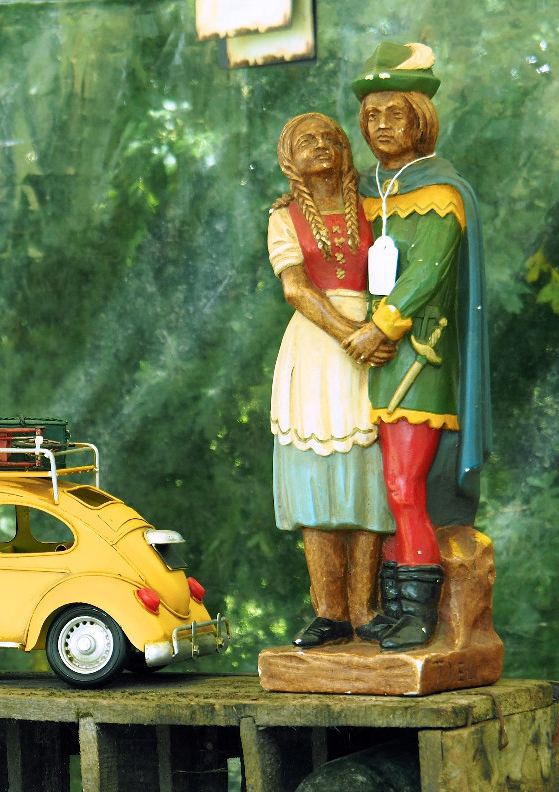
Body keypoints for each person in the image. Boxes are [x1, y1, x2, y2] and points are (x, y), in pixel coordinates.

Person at [342, 43, 492, 652]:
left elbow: (426, 272)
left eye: (395, 114)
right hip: (364, 360)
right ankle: (393, 606)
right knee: (385, 493)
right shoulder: (365, 189)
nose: (382, 125)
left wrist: (381, 327)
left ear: (421, 120)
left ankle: (419, 611)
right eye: (372, 115)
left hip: (417, 358)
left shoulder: (442, 192)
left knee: (406, 486)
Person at [268, 113, 397, 649]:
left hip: (376, 341)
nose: (321, 146)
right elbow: (296, 288)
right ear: (289, 159)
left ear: (346, 151)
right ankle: (329, 611)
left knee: (370, 478)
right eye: (307, 141)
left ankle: (366, 610)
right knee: (316, 478)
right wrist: (352, 335)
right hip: (320, 348)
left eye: (331, 139)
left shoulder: (374, 208)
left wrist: (380, 329)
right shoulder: (284, 218)